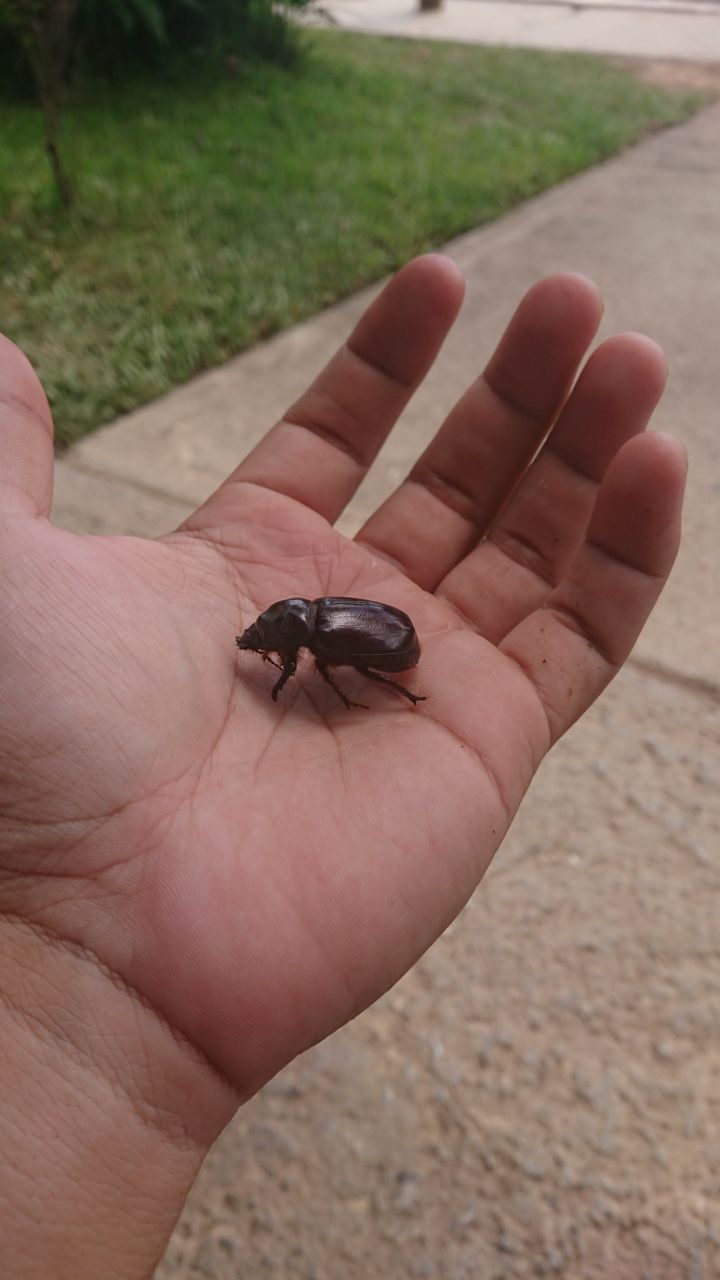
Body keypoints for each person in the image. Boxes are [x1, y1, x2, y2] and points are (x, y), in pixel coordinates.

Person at [0, 255, 685, 1279]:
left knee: (350, 680)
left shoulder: (317, 646)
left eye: (273, 642)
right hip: (385, 637)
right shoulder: (303, 635)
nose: (268, 648)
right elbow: (302, 655)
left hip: (390, 643)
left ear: (288, 633)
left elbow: (330, 662)